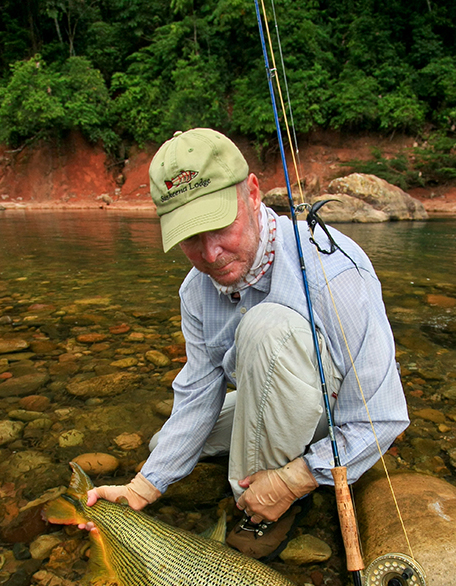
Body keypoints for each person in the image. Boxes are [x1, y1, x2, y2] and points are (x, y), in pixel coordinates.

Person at [86, 127, 409, 559]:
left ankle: (264, 509)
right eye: (190, 237)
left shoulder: (335, 270)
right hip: (275, 394)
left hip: (338, 411)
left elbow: (384, 417)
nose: (212, 253)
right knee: (163, 447)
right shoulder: (195, 291)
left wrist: (296, 478)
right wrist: (143, 487)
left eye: (219, 226)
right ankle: (250, 476)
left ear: (253, 193)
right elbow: (200, 389)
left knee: (267, 327)